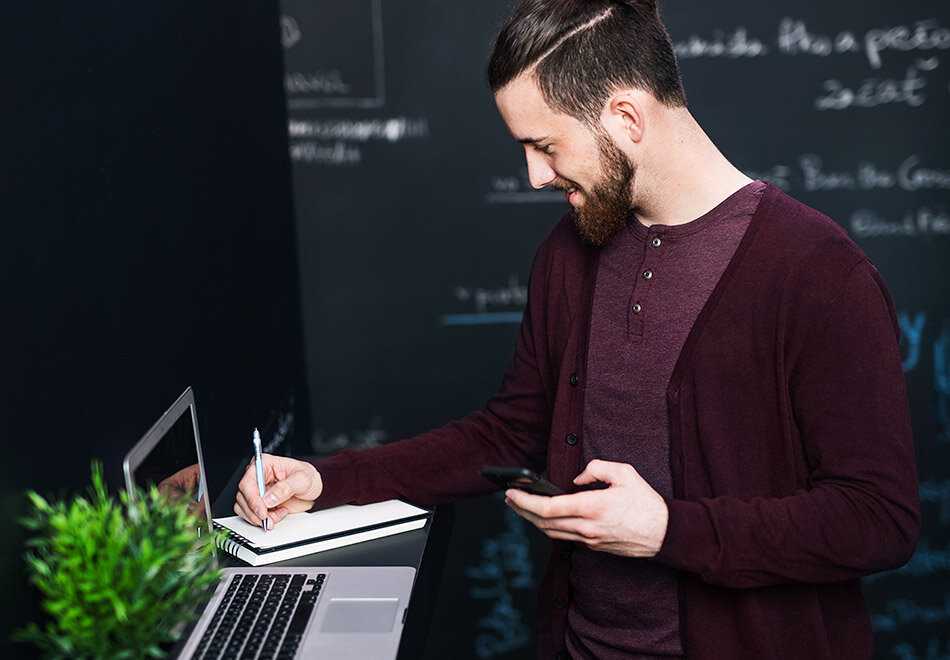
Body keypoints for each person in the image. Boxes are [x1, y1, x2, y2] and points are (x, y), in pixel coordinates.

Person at [233, 1, 920, 658]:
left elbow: (877, 521)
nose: (534, 175)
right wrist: (328, 481)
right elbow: (510, 431)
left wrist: (668, 531)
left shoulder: (821, 275)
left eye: (544, 144)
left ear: (625, 117)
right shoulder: (569, 251)